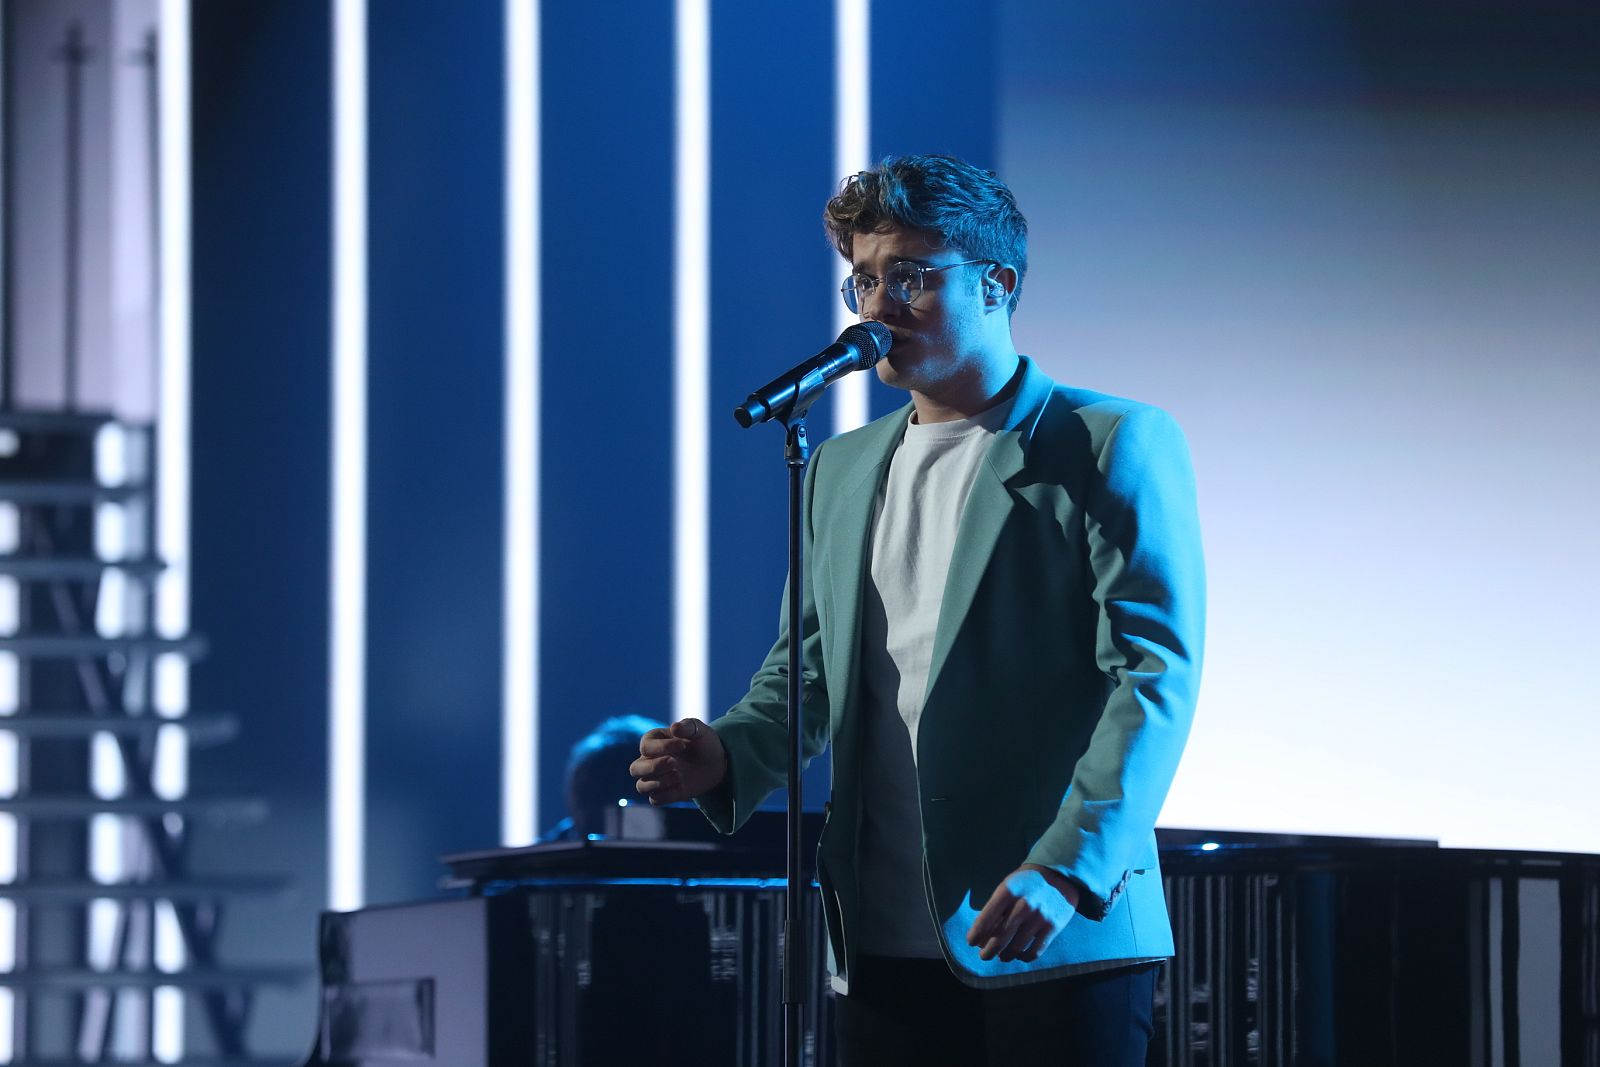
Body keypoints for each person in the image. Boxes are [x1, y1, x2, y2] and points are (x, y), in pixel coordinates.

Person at [631, 154, 1205, 1066]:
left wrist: (1069, 863)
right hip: (883, 939)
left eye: (911, 276)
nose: (878, 303)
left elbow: (1151, 673)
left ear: (998, 283)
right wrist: (727, 752)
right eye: (863, 279)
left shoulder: (1106, 441)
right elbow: (809, 674)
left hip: (1049, 923)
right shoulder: (838, 467)